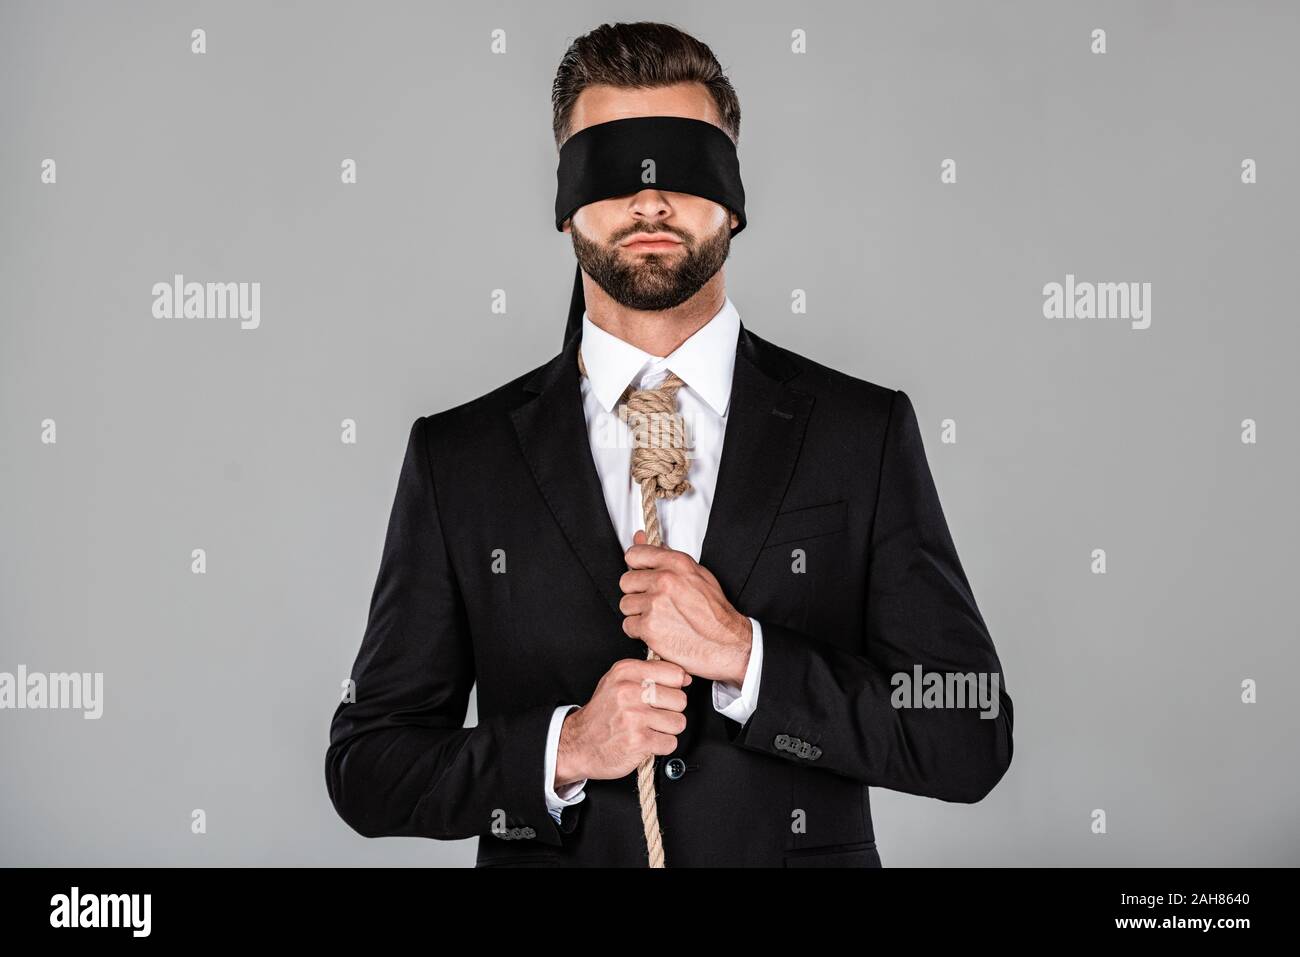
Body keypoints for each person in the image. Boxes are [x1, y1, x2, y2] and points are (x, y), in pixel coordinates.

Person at [325, 20, 1013, 868]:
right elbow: (366, 767)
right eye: (611, 168)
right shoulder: (459, 459)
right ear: (566, 203)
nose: (650, 199)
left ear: (733, 198)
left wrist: (747, 657)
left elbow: (969, 730)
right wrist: (565, 748)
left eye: (684, 165)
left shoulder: (861, 433)